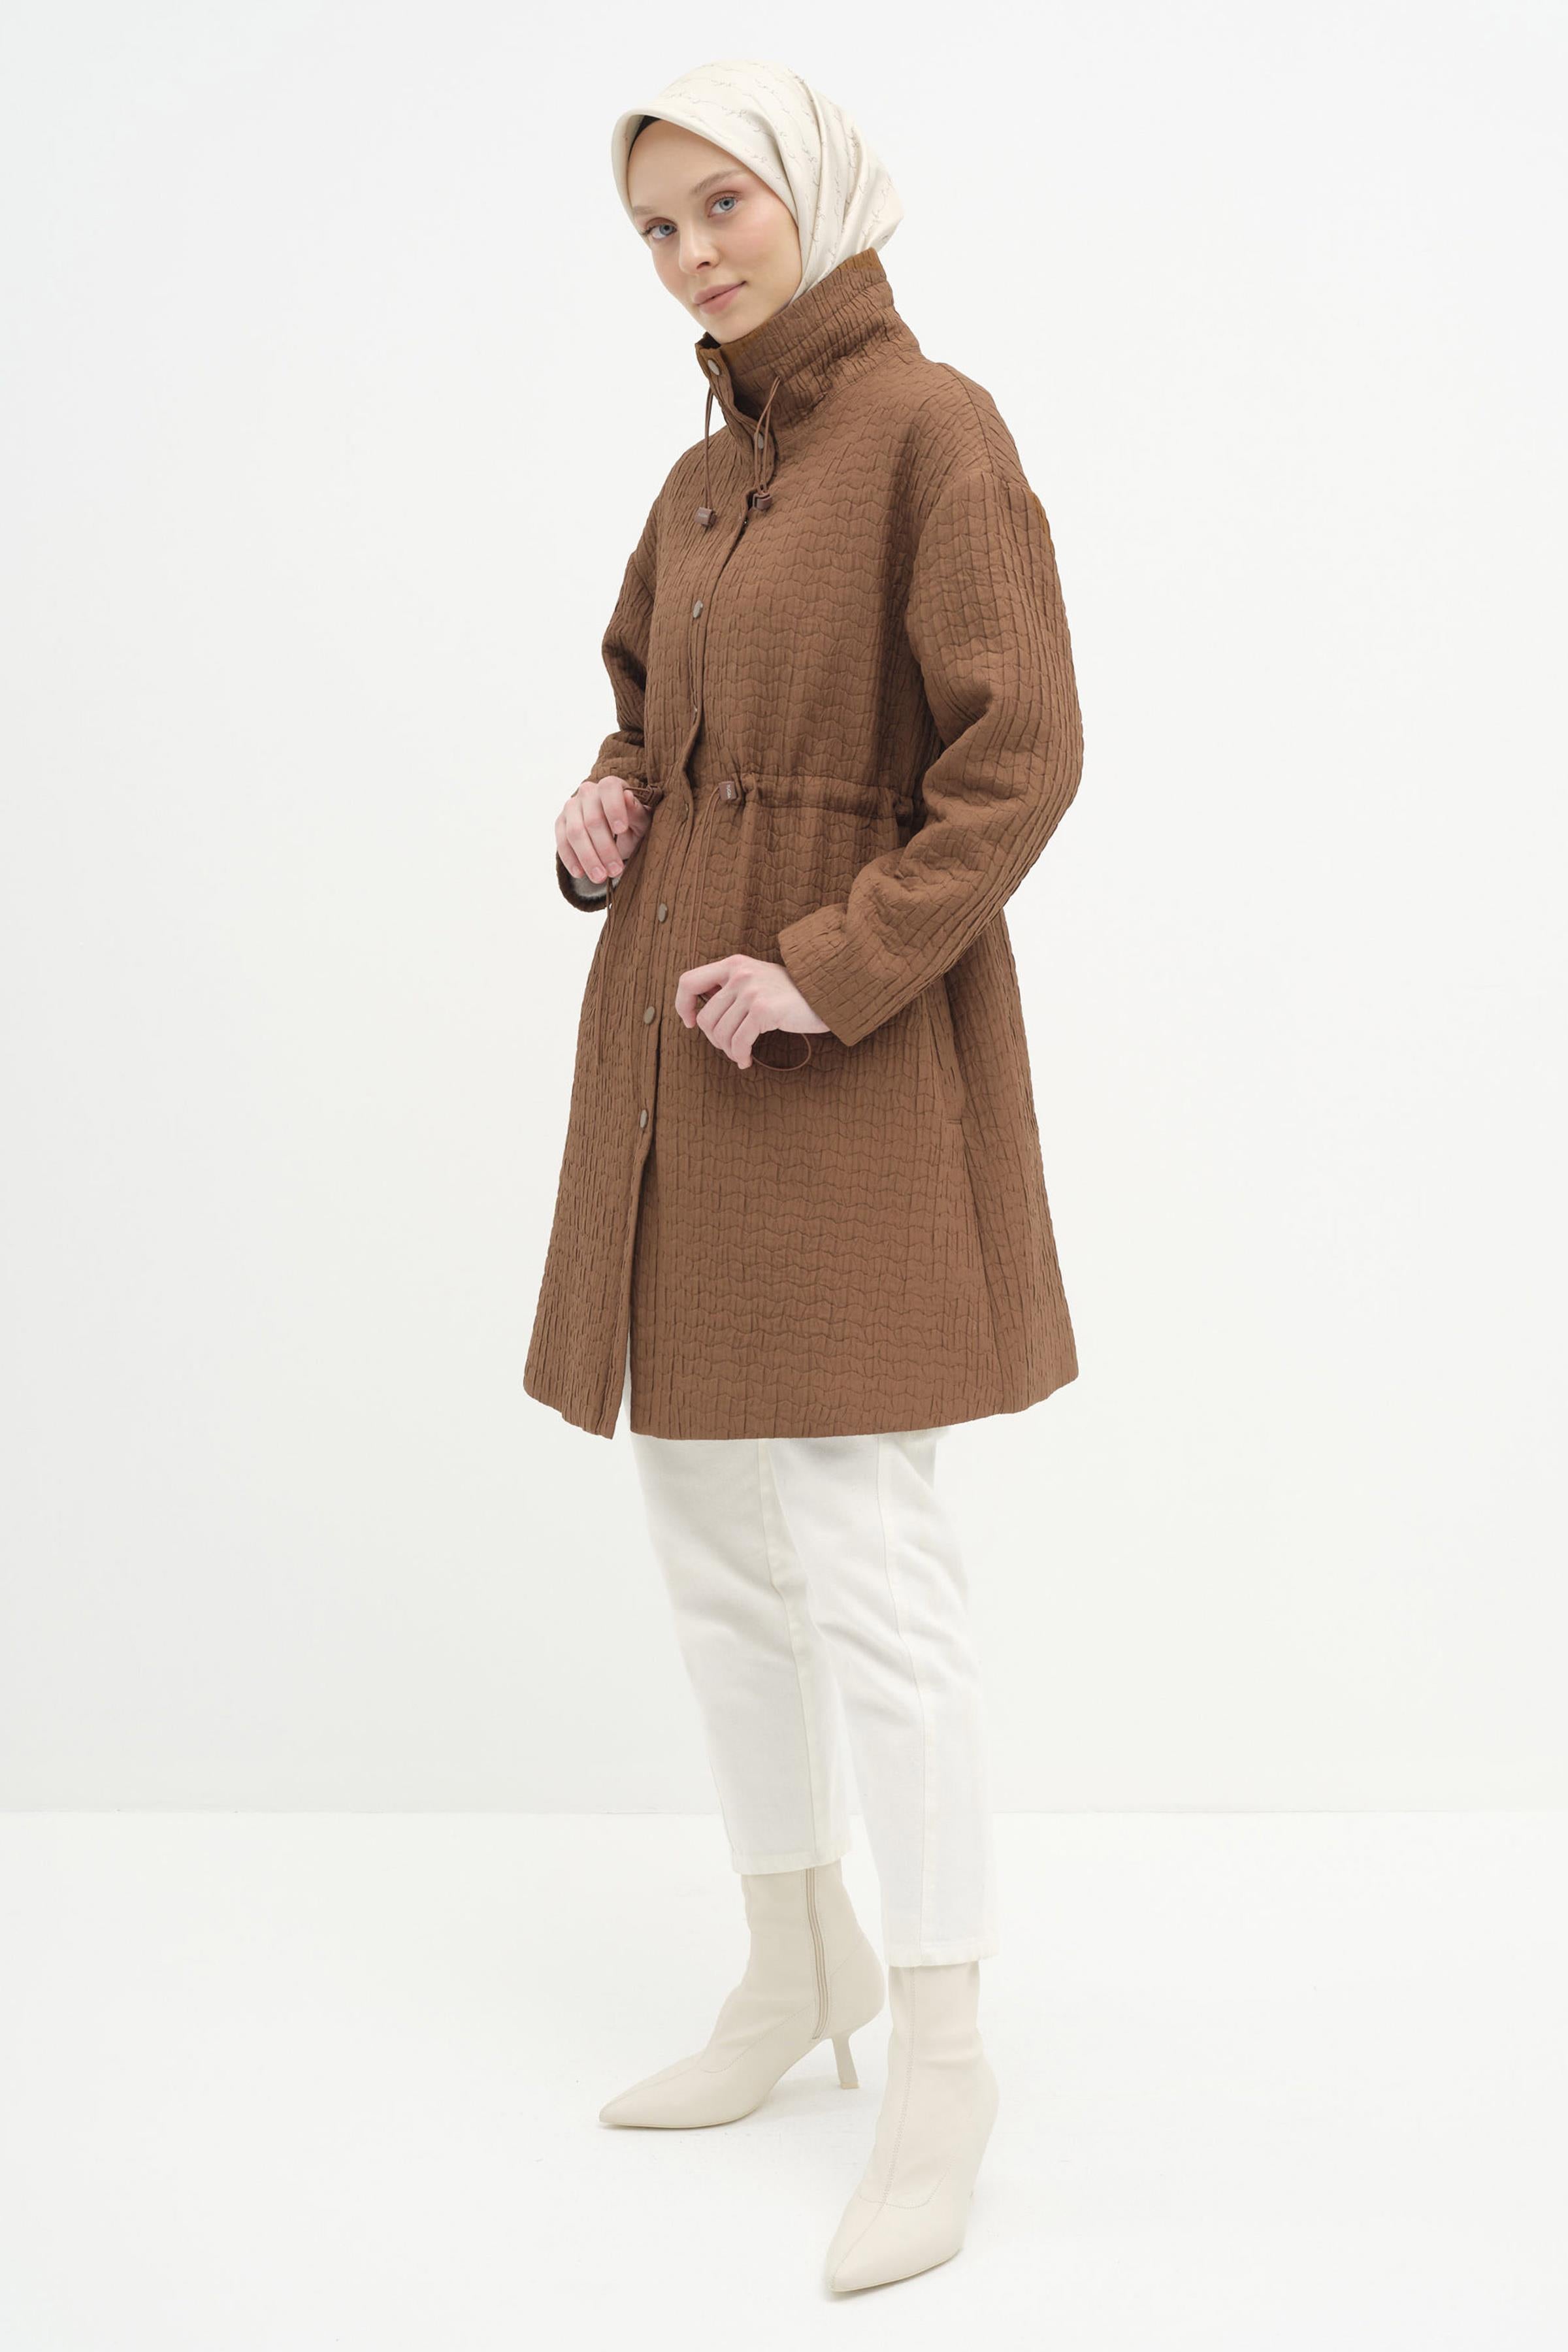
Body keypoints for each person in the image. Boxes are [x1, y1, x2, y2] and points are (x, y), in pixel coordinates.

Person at [523, 56, 1084, 2293]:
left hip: (841, 1067)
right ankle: (797, 1960)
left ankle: (941, 2051)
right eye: (657, 229)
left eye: (722, 205)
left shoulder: (936, 434)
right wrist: (602, 813)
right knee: (709, 1544)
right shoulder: (695, 484)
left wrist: (831, 966)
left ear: (814, 189)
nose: (693, 255)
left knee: (869, 1558)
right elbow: (651, 726)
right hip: (672, 1063)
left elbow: (1019, 760)